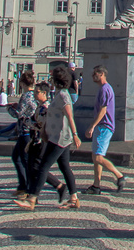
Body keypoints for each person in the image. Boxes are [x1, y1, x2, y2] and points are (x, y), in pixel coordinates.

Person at [25, 65, 82, 212]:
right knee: (64, 167)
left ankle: (32, 198)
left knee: (43, 166)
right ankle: (74, 198)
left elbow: (70, 116)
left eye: (52, 78)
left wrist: (75, 135)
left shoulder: (63, 96)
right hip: (56, 136)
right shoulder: (58, 94)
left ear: (56, 80)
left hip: (61, 138)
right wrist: (44, 130)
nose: (50, 80)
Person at [83, 66, 127, 194]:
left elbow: (103, 110)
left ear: (101, 74)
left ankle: (119, 176)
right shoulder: (102, 89)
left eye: (94, 73)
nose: (92, 76)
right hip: (101, 126)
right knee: (96, 156)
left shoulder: (105, 89)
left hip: (104, 126)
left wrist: (92, 126)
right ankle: (96, 186)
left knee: (97, 157)